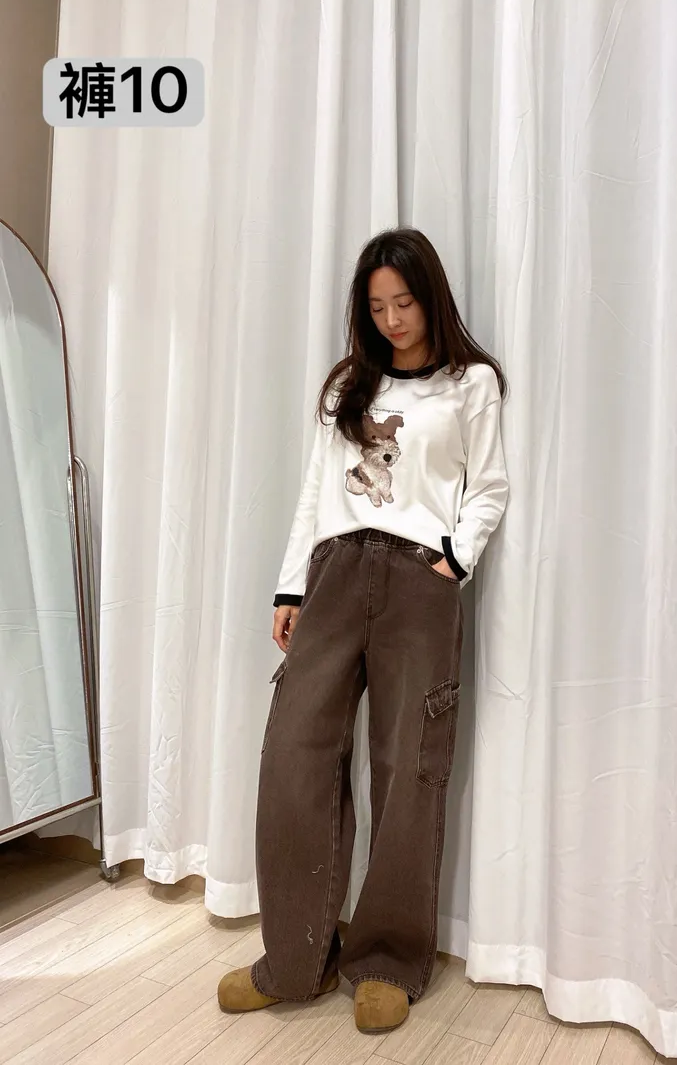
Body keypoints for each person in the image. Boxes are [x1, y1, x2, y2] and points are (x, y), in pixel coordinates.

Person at [217, 228, 509, 1034]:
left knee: (410, 765)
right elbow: (317, 490)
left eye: (404, 302)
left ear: (431, 297)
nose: (392, 320)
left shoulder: (471, 383)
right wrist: (291, 585)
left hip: (420, 579)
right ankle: (295, 958)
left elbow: (488, 486)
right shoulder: (350, 384)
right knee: (294, 754)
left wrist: (454, 559)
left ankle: (386, 958)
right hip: (335, 571)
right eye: (377, 307)